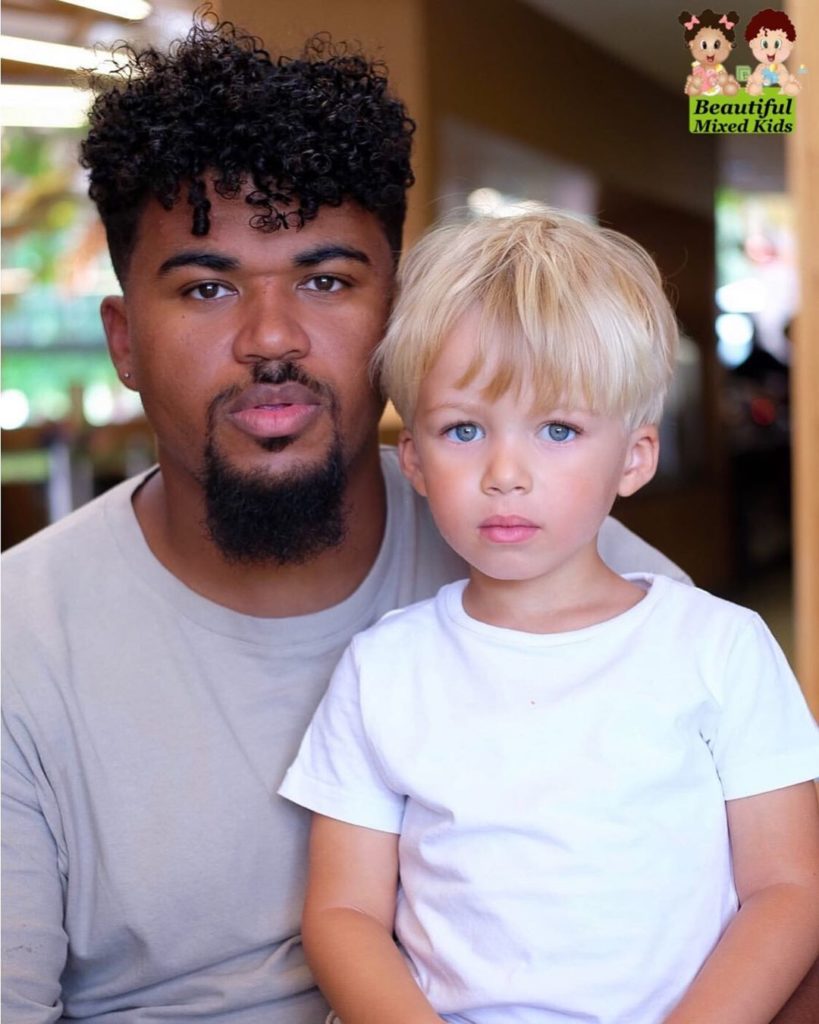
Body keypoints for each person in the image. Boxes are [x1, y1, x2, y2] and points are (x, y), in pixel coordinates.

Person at [0, 14, 694, 1023]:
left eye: (325, 281)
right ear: (124, 342)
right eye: (206, 286)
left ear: (398, 319)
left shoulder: (585, 581)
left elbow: (772, 908)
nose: (271, 339)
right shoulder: (19, 643)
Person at [278, 210, 819, 1024]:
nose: (505, 472)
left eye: (557, 429)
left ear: (633, 457)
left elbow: (787, 889)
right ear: (414, 459)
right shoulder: (383, 669)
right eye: (463, 429)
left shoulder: (718, 647)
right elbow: (342, 913)